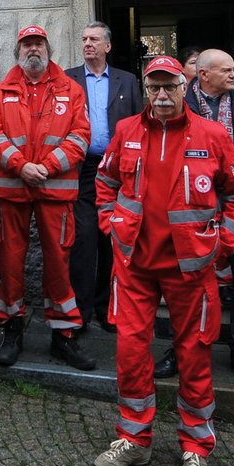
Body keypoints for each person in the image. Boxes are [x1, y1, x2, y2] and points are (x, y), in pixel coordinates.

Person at [91, 56, 234, 466]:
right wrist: (111, 224)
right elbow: (104, 182)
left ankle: (196, 448)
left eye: (170, 88)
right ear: (145, 90)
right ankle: (133, 439)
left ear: (185, 87)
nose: (162, 96)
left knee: (195, 356)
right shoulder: (126, 131)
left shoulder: (213, 135)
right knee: (129, 351)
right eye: (154, 88)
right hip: (134, 266)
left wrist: (222, 248)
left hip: (192, 270)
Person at [161, 48, 234, 385]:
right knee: (188, 281)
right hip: (193, 206)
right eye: (227, 70)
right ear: (204, 74)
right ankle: (183, 348)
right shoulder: (181, 105)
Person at [0, 25, 95, 370]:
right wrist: (21, 167)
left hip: (55, 190)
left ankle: (64, 337)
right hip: (11, 190)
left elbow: (81, 137)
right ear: (18, 50)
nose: (33, 49)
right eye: (27, 44)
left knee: (59, 264)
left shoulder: (71, 90)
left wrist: (45, 167)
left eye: (38, 44)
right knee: (9, 263)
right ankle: (12, 329)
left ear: (48, 48)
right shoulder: (0, 92)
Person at [64, 22, 143, 333]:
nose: (87, 44)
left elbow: (140, 124)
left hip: (117, 170)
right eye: (83, 39)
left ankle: (105, 307)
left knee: (112, 238)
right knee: (83, 239)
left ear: (107, 46)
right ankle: (79, 310)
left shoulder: (128, 80)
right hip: (81, 168)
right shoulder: (67, 78)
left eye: (94, 39)